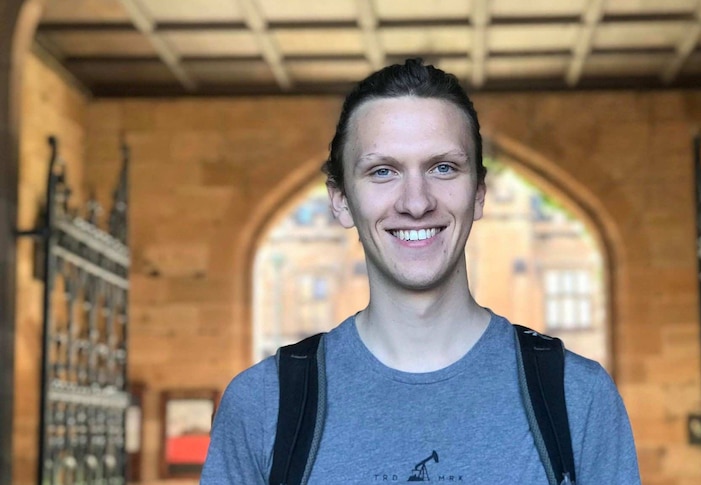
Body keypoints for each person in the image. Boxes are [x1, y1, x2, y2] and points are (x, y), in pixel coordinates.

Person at [201, 58, 640, 484]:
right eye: (382, 171)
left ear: (480, 193)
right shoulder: (264, 405)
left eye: (443, 167)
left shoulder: (577, 397)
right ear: (340, 200)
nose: (416, 202)